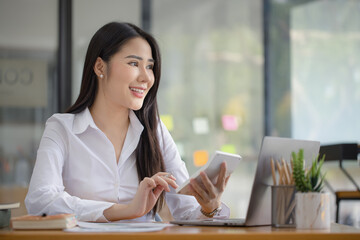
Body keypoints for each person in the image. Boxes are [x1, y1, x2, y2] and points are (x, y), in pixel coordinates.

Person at [25, 22, 231, 222]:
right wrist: (125, 210)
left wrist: (210, 208)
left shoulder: (154, 130)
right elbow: (40, 200)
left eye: (150, 66)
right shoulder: (62, 129)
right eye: (134, 63)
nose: (146, 77)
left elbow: (186, 212)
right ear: (100, 67)